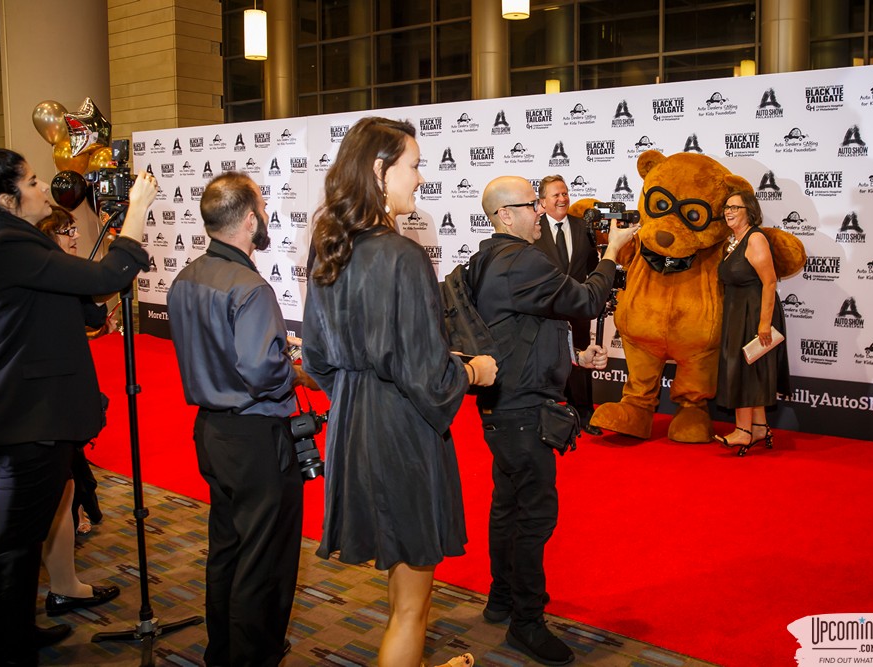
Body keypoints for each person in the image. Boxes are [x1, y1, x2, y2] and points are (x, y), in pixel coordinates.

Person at [302, 116, 496, 667]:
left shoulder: (329, 250)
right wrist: (473, 372)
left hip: (351, 427)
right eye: (413, 166)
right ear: (380, 171)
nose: (420, 179)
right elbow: (427, 378)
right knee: (413, 604)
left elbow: (316, 359)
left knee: (399, 570)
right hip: (402, 430)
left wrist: (366, 383)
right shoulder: (403, 256)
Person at [0, 141, 154, 666]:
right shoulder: (3, 246)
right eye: (33, 182)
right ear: (6, 199)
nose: (46, 187)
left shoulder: (9, 240)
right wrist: (135, 213)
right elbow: (106, 277)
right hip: (26, 416)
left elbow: (66, 297)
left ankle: (16, 631)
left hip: (31, 410)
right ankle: (9, 647)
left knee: (20, 536)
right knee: (15, 545)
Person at [469, 175, 637, 666]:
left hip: (504, 403)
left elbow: (532, 321)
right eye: (530, 205)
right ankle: (527, 622)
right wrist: (612, 254)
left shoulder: (487, 258)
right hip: (523, 410)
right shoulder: (520, 260)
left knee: (508, 506)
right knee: (533, 516)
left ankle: (502, 600)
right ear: (505, 215)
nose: (541, 211)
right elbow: (584, 301)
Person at [167, 171, 306, 667]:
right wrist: (295, 369)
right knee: (262, 554)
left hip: (211, 431)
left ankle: (222, 650)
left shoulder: (185, 278)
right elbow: (262, 371)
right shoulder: (250, 287)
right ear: (249, 221)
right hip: (256, 435)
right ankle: (253, 655)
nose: (266, 217)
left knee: (226, 545)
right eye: (263, 210)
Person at [37, 206, 107, 533]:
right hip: (44, 392)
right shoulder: (43, 275)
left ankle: (76, 514)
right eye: (69, 231)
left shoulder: (69, 271)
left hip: (67, 389)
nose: (76, 235)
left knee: (67, 474)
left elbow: (94, 317)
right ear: (49, 236)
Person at [713, 190, 789, 455]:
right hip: (737, 313)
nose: (729, 211)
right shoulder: (733, 241)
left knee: (742, 372)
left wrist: (764, 324)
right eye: (726, 207)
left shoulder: (755, 238)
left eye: (735, 207)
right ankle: (758, 427)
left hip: (755, 313)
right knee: (748, 371)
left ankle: (742, 431)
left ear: (750, 211)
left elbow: (769, 282)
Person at [533, 174, 603, 435]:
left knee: (582, 361)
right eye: (556, 195)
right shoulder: (533, 229)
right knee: (545, 359)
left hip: (577, 307)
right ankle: (546, 412)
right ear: (542, 201)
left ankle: (585, 413)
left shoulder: (582, 227)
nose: (562, 198)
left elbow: (592, 267)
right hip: (545, 310)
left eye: (565, 193)